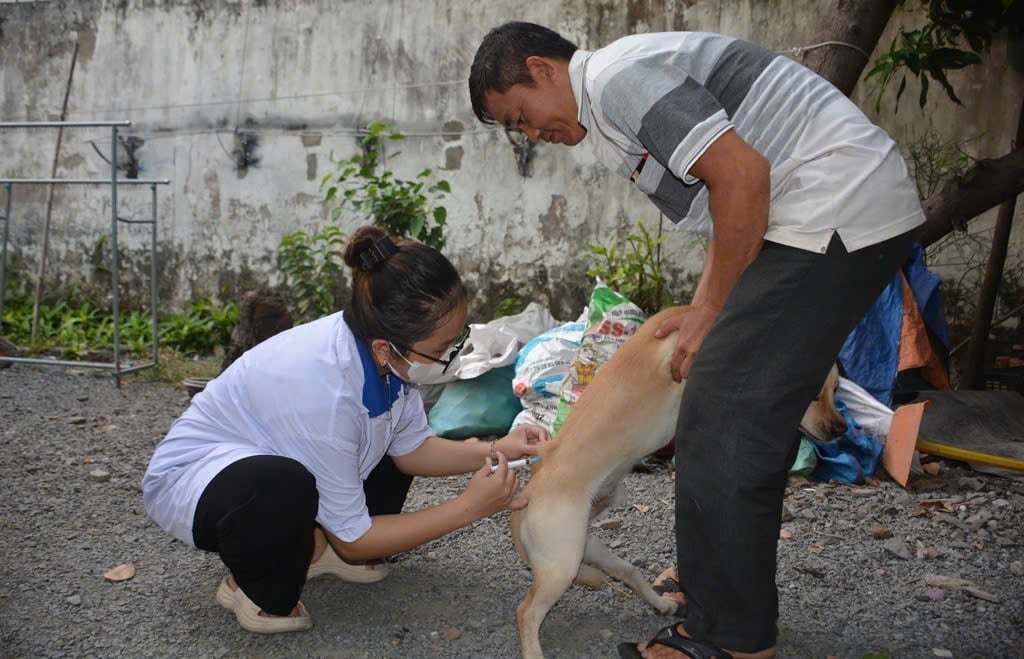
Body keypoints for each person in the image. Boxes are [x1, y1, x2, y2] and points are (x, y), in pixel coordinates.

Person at [470, 22, 923, 659]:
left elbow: (742, 177)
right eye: (518, 130)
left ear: (544, 69)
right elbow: (725, 210)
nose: (531, 134)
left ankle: (728, 638)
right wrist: (709, 303)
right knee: (719, 401)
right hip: (817, 214)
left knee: (727, 412)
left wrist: (711, 309)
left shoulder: (614, 79)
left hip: (831, 207)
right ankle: (715, 598)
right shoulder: (608, 112)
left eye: (520, 116)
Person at [142, 225, 548, 634]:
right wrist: (470, 507)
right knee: (282, 486)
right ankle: (251, 585)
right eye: (442, 349)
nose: (451, 357)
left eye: (456, 340)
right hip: (196, 480)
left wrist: (502, 447)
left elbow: (413, 450)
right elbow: (359, 537)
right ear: (384, 348)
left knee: (379, 447)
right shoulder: (328, 394)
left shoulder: (382, 353)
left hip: (273, 452)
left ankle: (321, 545)